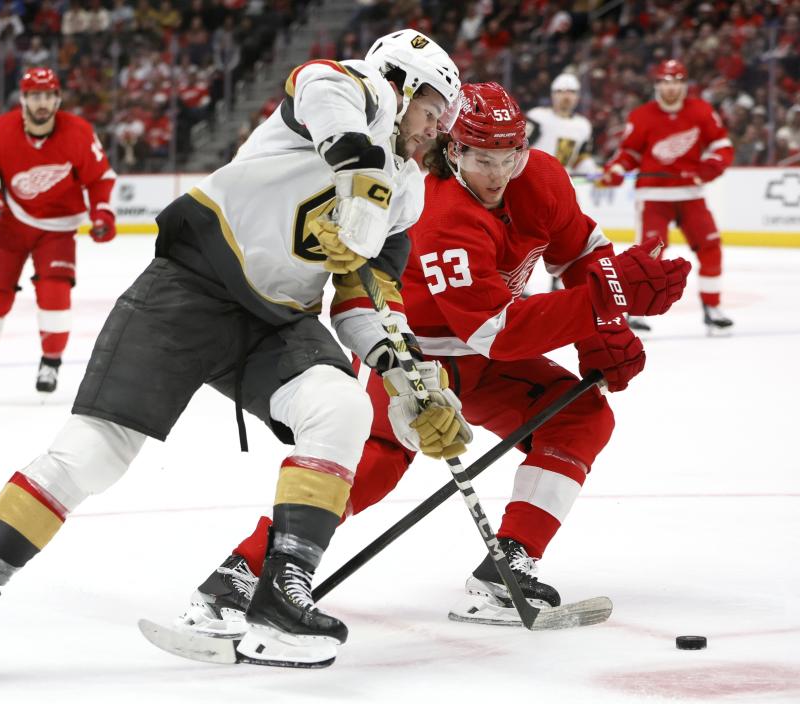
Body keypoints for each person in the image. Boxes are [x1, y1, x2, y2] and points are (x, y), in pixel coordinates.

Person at [0, 30, 464, 673]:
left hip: (277, 321)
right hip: (191, 285)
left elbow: (363, 297)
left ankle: (280, 597)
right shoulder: (355, 93)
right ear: (401, 86)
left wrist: (406, 377)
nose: (437, 132)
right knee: (94, 454)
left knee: (342, 406)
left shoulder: (409, 191)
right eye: (434, 112)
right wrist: (361, 174)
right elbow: (316, 82)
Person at [178, 83, 691, 637]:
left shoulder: (540, 177)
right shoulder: (443, 212)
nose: (498, 173)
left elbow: (584, 253)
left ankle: (508, 566)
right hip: (409, 356)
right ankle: (240, 574)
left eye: (510, 157)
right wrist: (604, 303)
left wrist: (601, 331)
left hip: (485, 355)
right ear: (454, 151)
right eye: (482, 159)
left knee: (583, 417)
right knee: (371, 467)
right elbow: (496, 331)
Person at [0, 66, 118, 395]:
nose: (42, 102)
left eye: (48, 95)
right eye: (35, 96)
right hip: (9, 224)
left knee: (55, 293)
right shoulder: (1, 131)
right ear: (23, 99)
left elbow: (100, 178)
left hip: (58, 228)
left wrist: (102, 213)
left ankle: (50, 362)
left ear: (58, 98)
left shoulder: (78, 132)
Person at [598, 59, 734, 334]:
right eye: (664, 82)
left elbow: (722, 146)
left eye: (676, 82)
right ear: (657, 85)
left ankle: (712, 307)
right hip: (654, 197)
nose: (670, 88)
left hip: (691, 195)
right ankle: (635, 311)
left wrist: (708, 169)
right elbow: (630, 153)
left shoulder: (702, 111)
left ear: (685, 85)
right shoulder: (641, 116)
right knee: (649, 256)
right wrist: (615, 170)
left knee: (711, 247)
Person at [525, 71, 599, 293]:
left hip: (564, 188)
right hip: (532, 184)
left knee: (567, 238)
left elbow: (581, 156)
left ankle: (561, 283)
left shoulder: (583, 125)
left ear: (577, 97)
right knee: (525, 237)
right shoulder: (537, 117)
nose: (565, 96)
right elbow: (518, 145)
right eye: (560, 91)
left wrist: (592, 171)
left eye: (571, 92)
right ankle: (517, 283)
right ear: (552, 95)